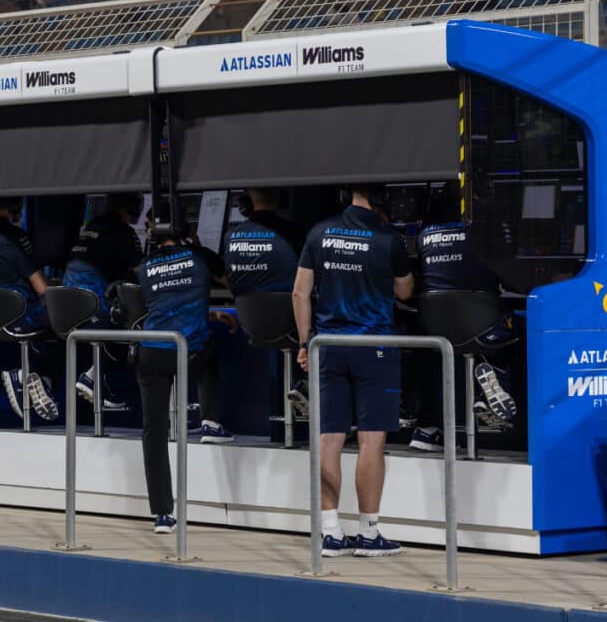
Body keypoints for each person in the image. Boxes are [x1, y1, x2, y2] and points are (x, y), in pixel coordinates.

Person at [292, 184, 414, 557]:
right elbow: (405, 292)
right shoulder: (388, 238)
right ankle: (369, 533)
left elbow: (299, 292)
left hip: (328, 345)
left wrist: (303, 342)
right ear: (381, 200)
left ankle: (330, 531)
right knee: (370, 440)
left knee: (329, 438)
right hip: (373, 346)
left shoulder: (319, 231)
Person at [136, 203, 235, 534]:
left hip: (152, 352)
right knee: (212, 348)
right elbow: (228, 279)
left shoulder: (143, 266)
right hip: (189, 351)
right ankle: (210, 421)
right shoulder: (201, 258)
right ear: (187, 229)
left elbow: (163, 307)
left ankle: (162, 514)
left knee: (154, 430)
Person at [408, 187, 517, 452]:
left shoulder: (425, 235)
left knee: (435, 356)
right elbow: (510, 276)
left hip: (434, 329)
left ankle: (427, 428)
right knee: (519, 325)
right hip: (482, 325)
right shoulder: (484, 227)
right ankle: (493, 383)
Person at [0, 197, 58, 421]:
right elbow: (41, 287)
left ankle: (31, 377)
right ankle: (37, 377)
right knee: (60, 318)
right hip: (21, 316)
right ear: (15, 209)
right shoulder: (14, 238)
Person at [224, 187, 308, 409]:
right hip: (291, 325)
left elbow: (229, 278)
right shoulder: (294, 233)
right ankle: (310, 387)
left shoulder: (230, 236)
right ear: (280, 199)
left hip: (250, 324)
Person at [62, 193, 144, 406]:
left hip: (67, 308)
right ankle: (92, 376)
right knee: (139, 321)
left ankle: (95, 377)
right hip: (96, 308)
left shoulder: (92, 226)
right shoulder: (123, 232)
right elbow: (142, 272)